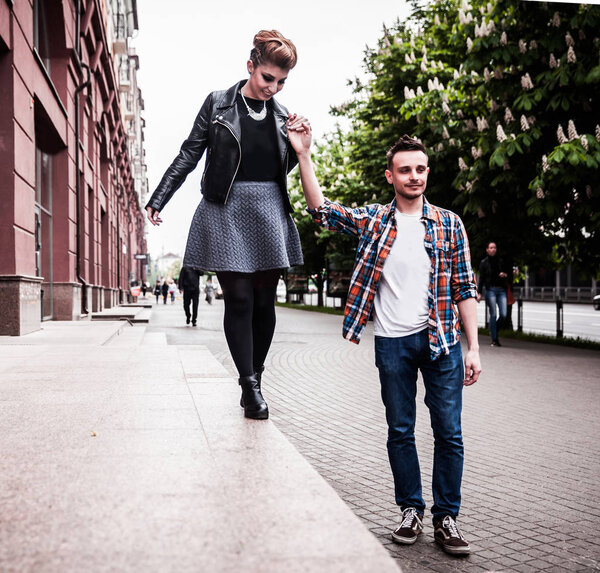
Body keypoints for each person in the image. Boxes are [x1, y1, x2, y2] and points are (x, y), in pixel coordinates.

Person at [289, 130, 482, 556]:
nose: (414, 177)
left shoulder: (450, 223)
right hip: (393, 341)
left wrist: (474, 346)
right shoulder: (375, 220)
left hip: (443, 340)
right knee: (401, 430)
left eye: (420, 169)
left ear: (427, 172)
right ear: (391, 176)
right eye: (405, 170)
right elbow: (321, 211)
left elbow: (465, 288)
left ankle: (446, 517)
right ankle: (410, 510)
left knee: (449, 433)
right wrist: (303, 155)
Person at [145, 30, 307, 420]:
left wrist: (301, 146)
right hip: (225, 209)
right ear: (250, 66)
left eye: (282, 81)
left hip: (269, 209)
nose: (274, 87)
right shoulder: (218, 104)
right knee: (238, 298)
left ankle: (257, 374)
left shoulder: (285, 117)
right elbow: (190, 151)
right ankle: (248, 386)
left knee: (265, 302)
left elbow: (283, 170)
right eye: (268, 77)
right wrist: (159, 196)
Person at [477, 241, 508, 346]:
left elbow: (507, 273)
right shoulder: (484, 263)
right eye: (491, 247)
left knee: (503, 314)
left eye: (494, 247)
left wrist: (504, 275)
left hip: (501, 290)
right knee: (493, 314)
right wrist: (479, 293)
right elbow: (481, 279)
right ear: (487, 249)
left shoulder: (501, 261)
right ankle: (494, 339)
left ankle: (493, 329)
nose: (493, 249)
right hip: (490, 290)